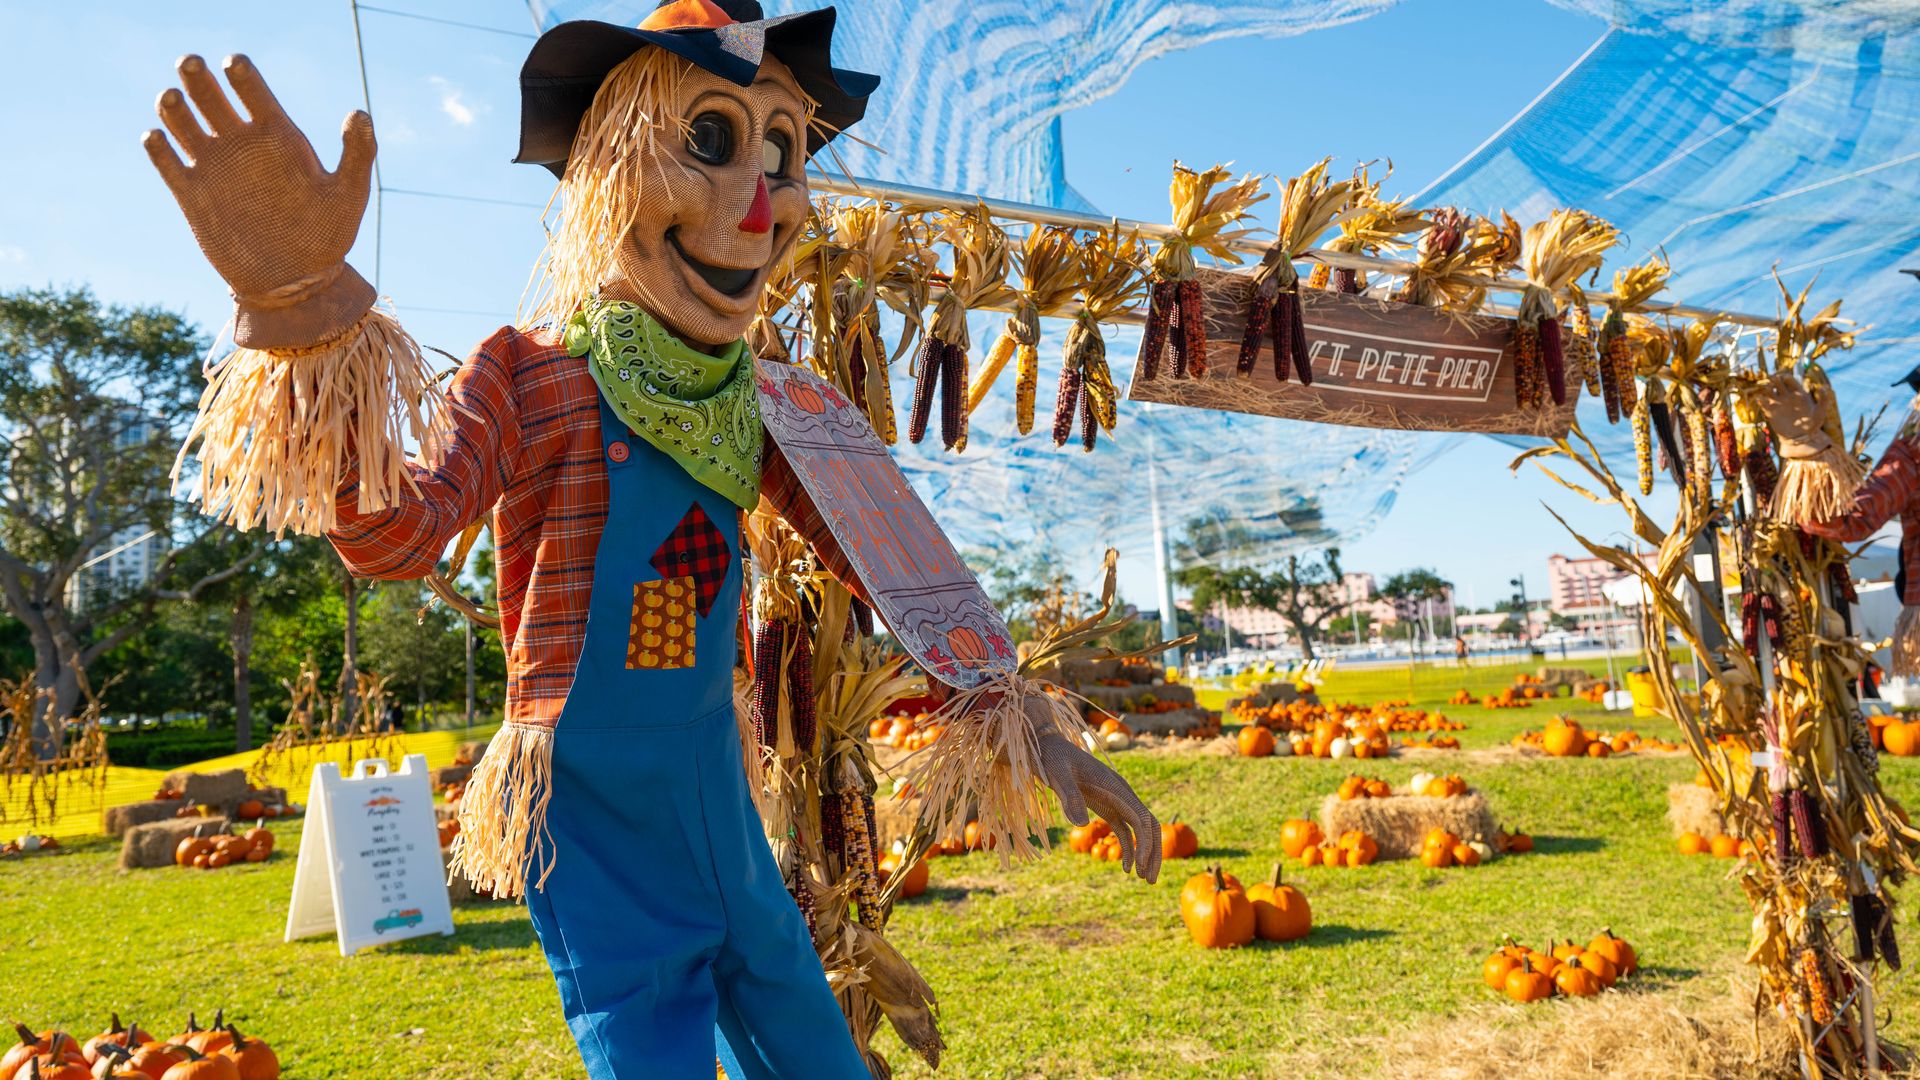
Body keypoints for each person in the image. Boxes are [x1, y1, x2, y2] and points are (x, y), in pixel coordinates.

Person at [141, 3, 1159, 1077]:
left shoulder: (773, 403)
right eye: (710, 140)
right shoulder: (529, 377)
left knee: (813, 1048)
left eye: (781, 154)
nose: (758, 205)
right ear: (604, 169)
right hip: (587, 809)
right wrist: (308, 315)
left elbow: (903, 564)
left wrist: (1025, 720)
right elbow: (399, 536)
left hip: (715, 789)